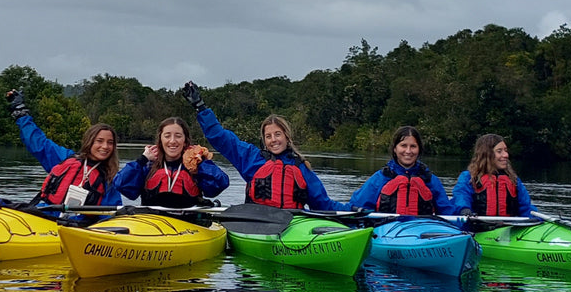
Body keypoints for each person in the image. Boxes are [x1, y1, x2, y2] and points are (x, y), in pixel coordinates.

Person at [180, 81, 348, 212]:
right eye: (268, 136)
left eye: (277, 135)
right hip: (257, 223)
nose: (273, 140)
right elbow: (221, 137)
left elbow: (323, 204)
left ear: (287, 137)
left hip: (292, 225)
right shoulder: (252, 158)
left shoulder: (301, 167)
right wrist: (200, 107)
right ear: (264, 140)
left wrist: (352, 211)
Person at [5, 90, 122, 209]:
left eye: (110, 143)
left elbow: (111, 214)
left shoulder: (110, 179)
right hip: (45, 216)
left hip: (78, 225)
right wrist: (20, 111)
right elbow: (37, 142)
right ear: (90, 141)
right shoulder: (66, 158)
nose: (105, 147)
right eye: (99, 141)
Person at [114, 116, 230, 209]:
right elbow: (120, 184)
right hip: (152, 224)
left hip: (188, 225)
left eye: (178, 136)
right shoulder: (148, 166)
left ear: (185, 141)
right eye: (167, 136)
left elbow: (220, 184)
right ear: (161, 140)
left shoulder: (196, 167)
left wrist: (201, 160)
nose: (173, 141)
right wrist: (142, 159)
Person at [348, 125, 454, 216]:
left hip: (421, 233)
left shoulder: (430, 180)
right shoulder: (380, 178)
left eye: (413, 146)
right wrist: (330, 204)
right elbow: (354, 208)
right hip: (386, 233)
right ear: (395, 149)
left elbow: (447, 211)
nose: (408, 151)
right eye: (403, 146)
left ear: (419, 149)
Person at [451, 133, 536, 217]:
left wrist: (535, 217)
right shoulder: (468, 177)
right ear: (486, 154)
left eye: (505, 150)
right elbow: (461, 196)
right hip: (475, 226)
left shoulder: (513, 179)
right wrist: (464, 209)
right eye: (499, 151)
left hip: (508, 226)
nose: (506, 155)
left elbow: (526, 207)